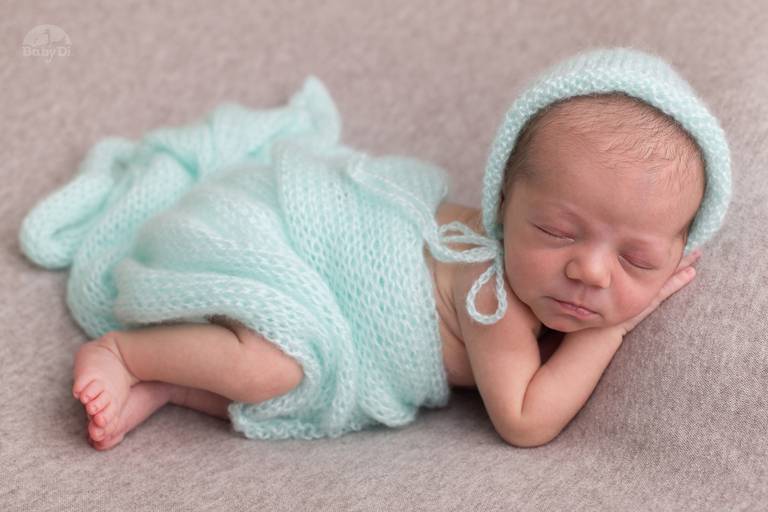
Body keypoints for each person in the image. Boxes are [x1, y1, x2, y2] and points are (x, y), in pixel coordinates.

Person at [21, 47, 731, 450]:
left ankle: (173, 383)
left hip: (310, 262)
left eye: (637, 261)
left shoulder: (555, 273)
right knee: (273, 369)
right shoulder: (494, 297)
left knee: (285, 375)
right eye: (556, 231)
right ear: (503, 204)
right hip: (279, 239)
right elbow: (525, 419)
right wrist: (617, 325)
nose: (589, 269)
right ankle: (124, 353)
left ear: (678, 256)